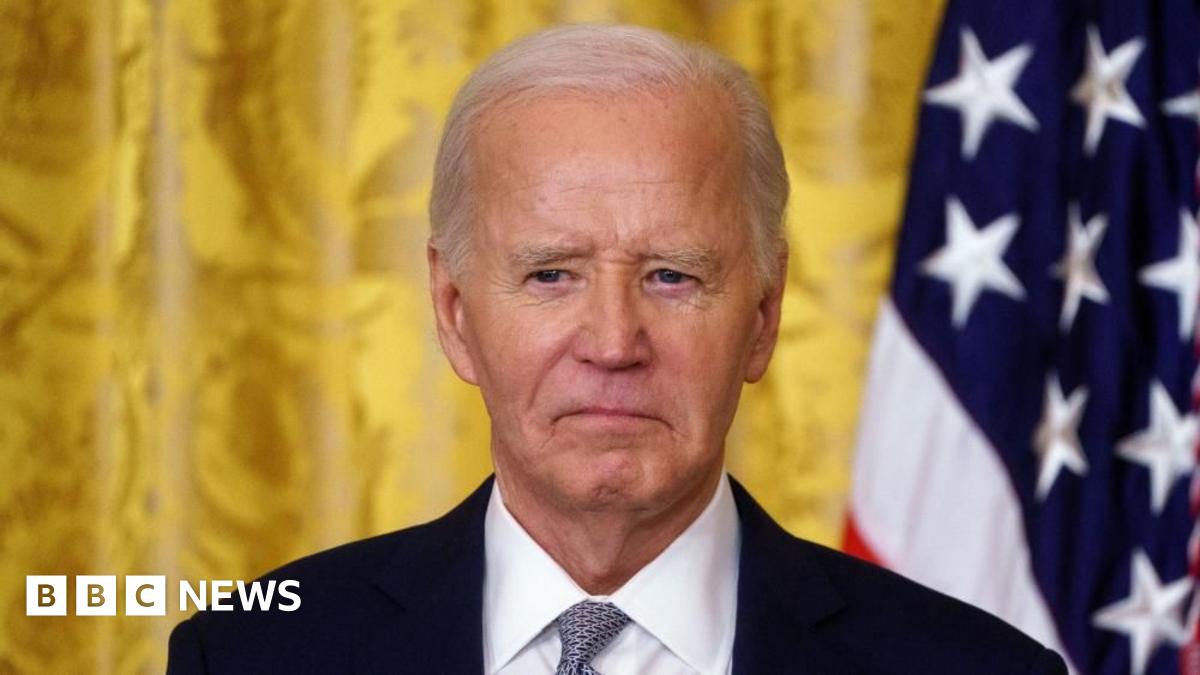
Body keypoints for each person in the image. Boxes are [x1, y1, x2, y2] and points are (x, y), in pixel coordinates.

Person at [167, 24, 1068, 675]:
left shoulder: (978, 666)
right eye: (552, 274)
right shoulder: (252, 652)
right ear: (452, 311)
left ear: (762, 313)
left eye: (673, 275)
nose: (612, 342)